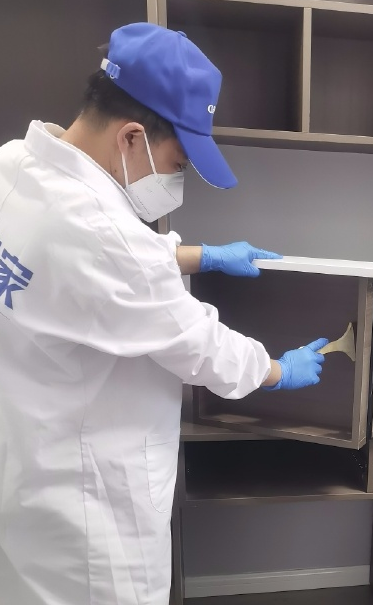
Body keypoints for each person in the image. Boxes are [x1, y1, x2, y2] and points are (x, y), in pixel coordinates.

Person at [0, 22, 328, 605]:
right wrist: (278, 369)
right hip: (94, 517)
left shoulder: (15, 165)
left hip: (31, 475)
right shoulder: (104, 235)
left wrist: (199, 255)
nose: (177, 180)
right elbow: (200, 346)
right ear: (131, 138)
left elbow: (81, 268)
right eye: (177, 163)